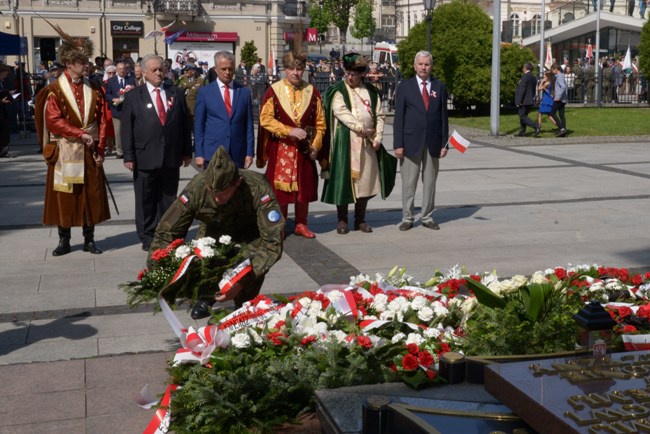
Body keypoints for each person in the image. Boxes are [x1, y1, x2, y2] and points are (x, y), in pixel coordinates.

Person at [148, 146, 284, 307]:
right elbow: (167, 232)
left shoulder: (258, 188)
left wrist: (240, 282)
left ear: (238, 182)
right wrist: (157, 272)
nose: (217, 199)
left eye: (223, 193)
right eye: (212, 193)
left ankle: (244, 305)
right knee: (203, 256)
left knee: (249, 269)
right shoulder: (197, 188)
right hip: (214, 231)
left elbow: (272, 242)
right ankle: (206, 296)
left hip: (251, 233)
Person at [34, 33, 111, 256]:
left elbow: (102, 120)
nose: (87, 65)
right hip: (66, 151)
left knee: (90, 195)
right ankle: (64, 240)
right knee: (65, 195)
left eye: (87, 61)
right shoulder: (55, 90)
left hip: (89, 151)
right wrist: (80, 134)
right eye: (82, 62)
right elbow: (53, 120)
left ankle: (89, 239)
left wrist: (100, 147)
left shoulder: (95, 88)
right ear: (69, 64)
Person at [121, 54, 193, 251]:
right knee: (146, 199)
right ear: (143, 73)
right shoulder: (134, 96)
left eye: (161, 69)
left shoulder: (175, 93)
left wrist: (187, 152)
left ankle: (167, 233)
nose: (158, 73)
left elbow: (184, 124)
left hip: (170, 156)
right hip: (144, 156)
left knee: (168, 198)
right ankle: (147, 236)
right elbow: (127, 129)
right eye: (154, 70)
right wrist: (128, 156)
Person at [321, 53, 395, 235]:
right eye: (347, 73)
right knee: (344, 182)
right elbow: (341, 113)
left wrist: (378, 137)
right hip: (345, 143)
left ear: (361, 74)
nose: (349, 77)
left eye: (353, 74)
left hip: (368, 144)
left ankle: (360, 219)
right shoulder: (337, 90)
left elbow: (379, 115)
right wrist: (360, 128)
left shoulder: (371, 92)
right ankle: (342, 219)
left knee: (366, 182)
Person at [256, 52, 326, 239]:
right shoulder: (274, 90)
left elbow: (321, 123)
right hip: (281, 149)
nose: (295, 72)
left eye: (299, 68)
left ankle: (301, 224)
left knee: (304, 188)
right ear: (285, 70)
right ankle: (280, 224)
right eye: (291, 68)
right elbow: (265, 119)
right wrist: (288, 130)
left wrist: (315, 147)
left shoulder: (312, 92)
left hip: (304, 150)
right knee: (279, 191)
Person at [393, 51, 449, 231]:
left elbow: (443, 117)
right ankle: (408, 217)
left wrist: (444, 143)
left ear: (431, 66)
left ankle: (427, 216)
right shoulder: (405, 87)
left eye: (427, 64)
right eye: (421, 64)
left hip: (433, 141)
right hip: (410, 141)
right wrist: (398, 144)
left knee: (430, 181)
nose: (424, 67)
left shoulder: (439, 87)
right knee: (409, 182)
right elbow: (399, 118)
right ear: (414, 65)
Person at [194, 51, 254, 170]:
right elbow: (199, 126)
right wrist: (199, 153)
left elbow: (248, 126)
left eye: (230, 69)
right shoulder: (205, 93)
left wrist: (249, 153)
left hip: (237, 153)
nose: (227, 72)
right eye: (224, 69)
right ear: (216, 69)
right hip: (212, 153)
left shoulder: (244, 92)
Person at [104, 61, 136, 158]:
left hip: (128, 109)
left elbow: (134, 92)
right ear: (117, 70)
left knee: (129, 131)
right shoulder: (111, 81)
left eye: (123, 69)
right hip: (117, 109)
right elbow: (107, 94)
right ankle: (119, 151)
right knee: (118, 132)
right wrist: (113, 99)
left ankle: (129, 150)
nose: (122, 70)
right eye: (120, 69)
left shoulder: (130, 80)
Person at [176, 64, 205, 133]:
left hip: (195, 110)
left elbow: (204, 95)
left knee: (196, 131)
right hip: (184, 110)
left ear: (193, 71)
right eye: (185, 70)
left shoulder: (200, 80)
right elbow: (176, 91)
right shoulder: (181, 79)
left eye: (187, 70)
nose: (185, 72)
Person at [514, 62, 540, 137]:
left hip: (524, 100)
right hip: (529, 99)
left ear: (525, 68)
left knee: (522, 116)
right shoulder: (533, 77)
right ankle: (522, 131)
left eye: (523, 67)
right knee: (524, 115)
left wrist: (519, 100)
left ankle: (535, 126)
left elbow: (523, 89)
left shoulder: (525, 76)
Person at [0, 64, 15, 158]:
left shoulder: (1, 82)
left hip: (2, 111)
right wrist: (1, 101)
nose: (5, 77)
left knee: (4, 131)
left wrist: (8, 93)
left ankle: (3, 149)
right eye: (4, 74)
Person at [549, 63, 567, 137]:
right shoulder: (561, 75)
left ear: (556, 69)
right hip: (562, 98)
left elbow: (563, 87)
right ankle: (563, 130)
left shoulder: (559, 76)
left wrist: (558, 96)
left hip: (559, 99)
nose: (552, 71)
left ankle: (562, 128)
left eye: (552, 70)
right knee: (561, 115)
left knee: (552, 113)